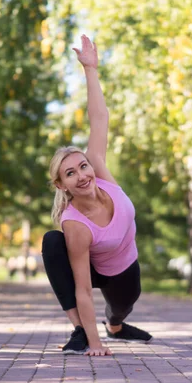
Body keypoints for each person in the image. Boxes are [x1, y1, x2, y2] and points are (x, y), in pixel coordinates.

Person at [42, 35, 152, 356]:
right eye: (70, 173)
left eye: (82, 166)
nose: (82, 176)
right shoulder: (74, 223)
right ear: (62, 185)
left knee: (122, 307)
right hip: (93, 267)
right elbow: (84, 289)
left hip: (124, 269)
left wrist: (91, 70)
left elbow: (99, 118)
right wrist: (94, 343)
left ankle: (115, 327)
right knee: (51, 242)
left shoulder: (100, 172)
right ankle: (80, 329)